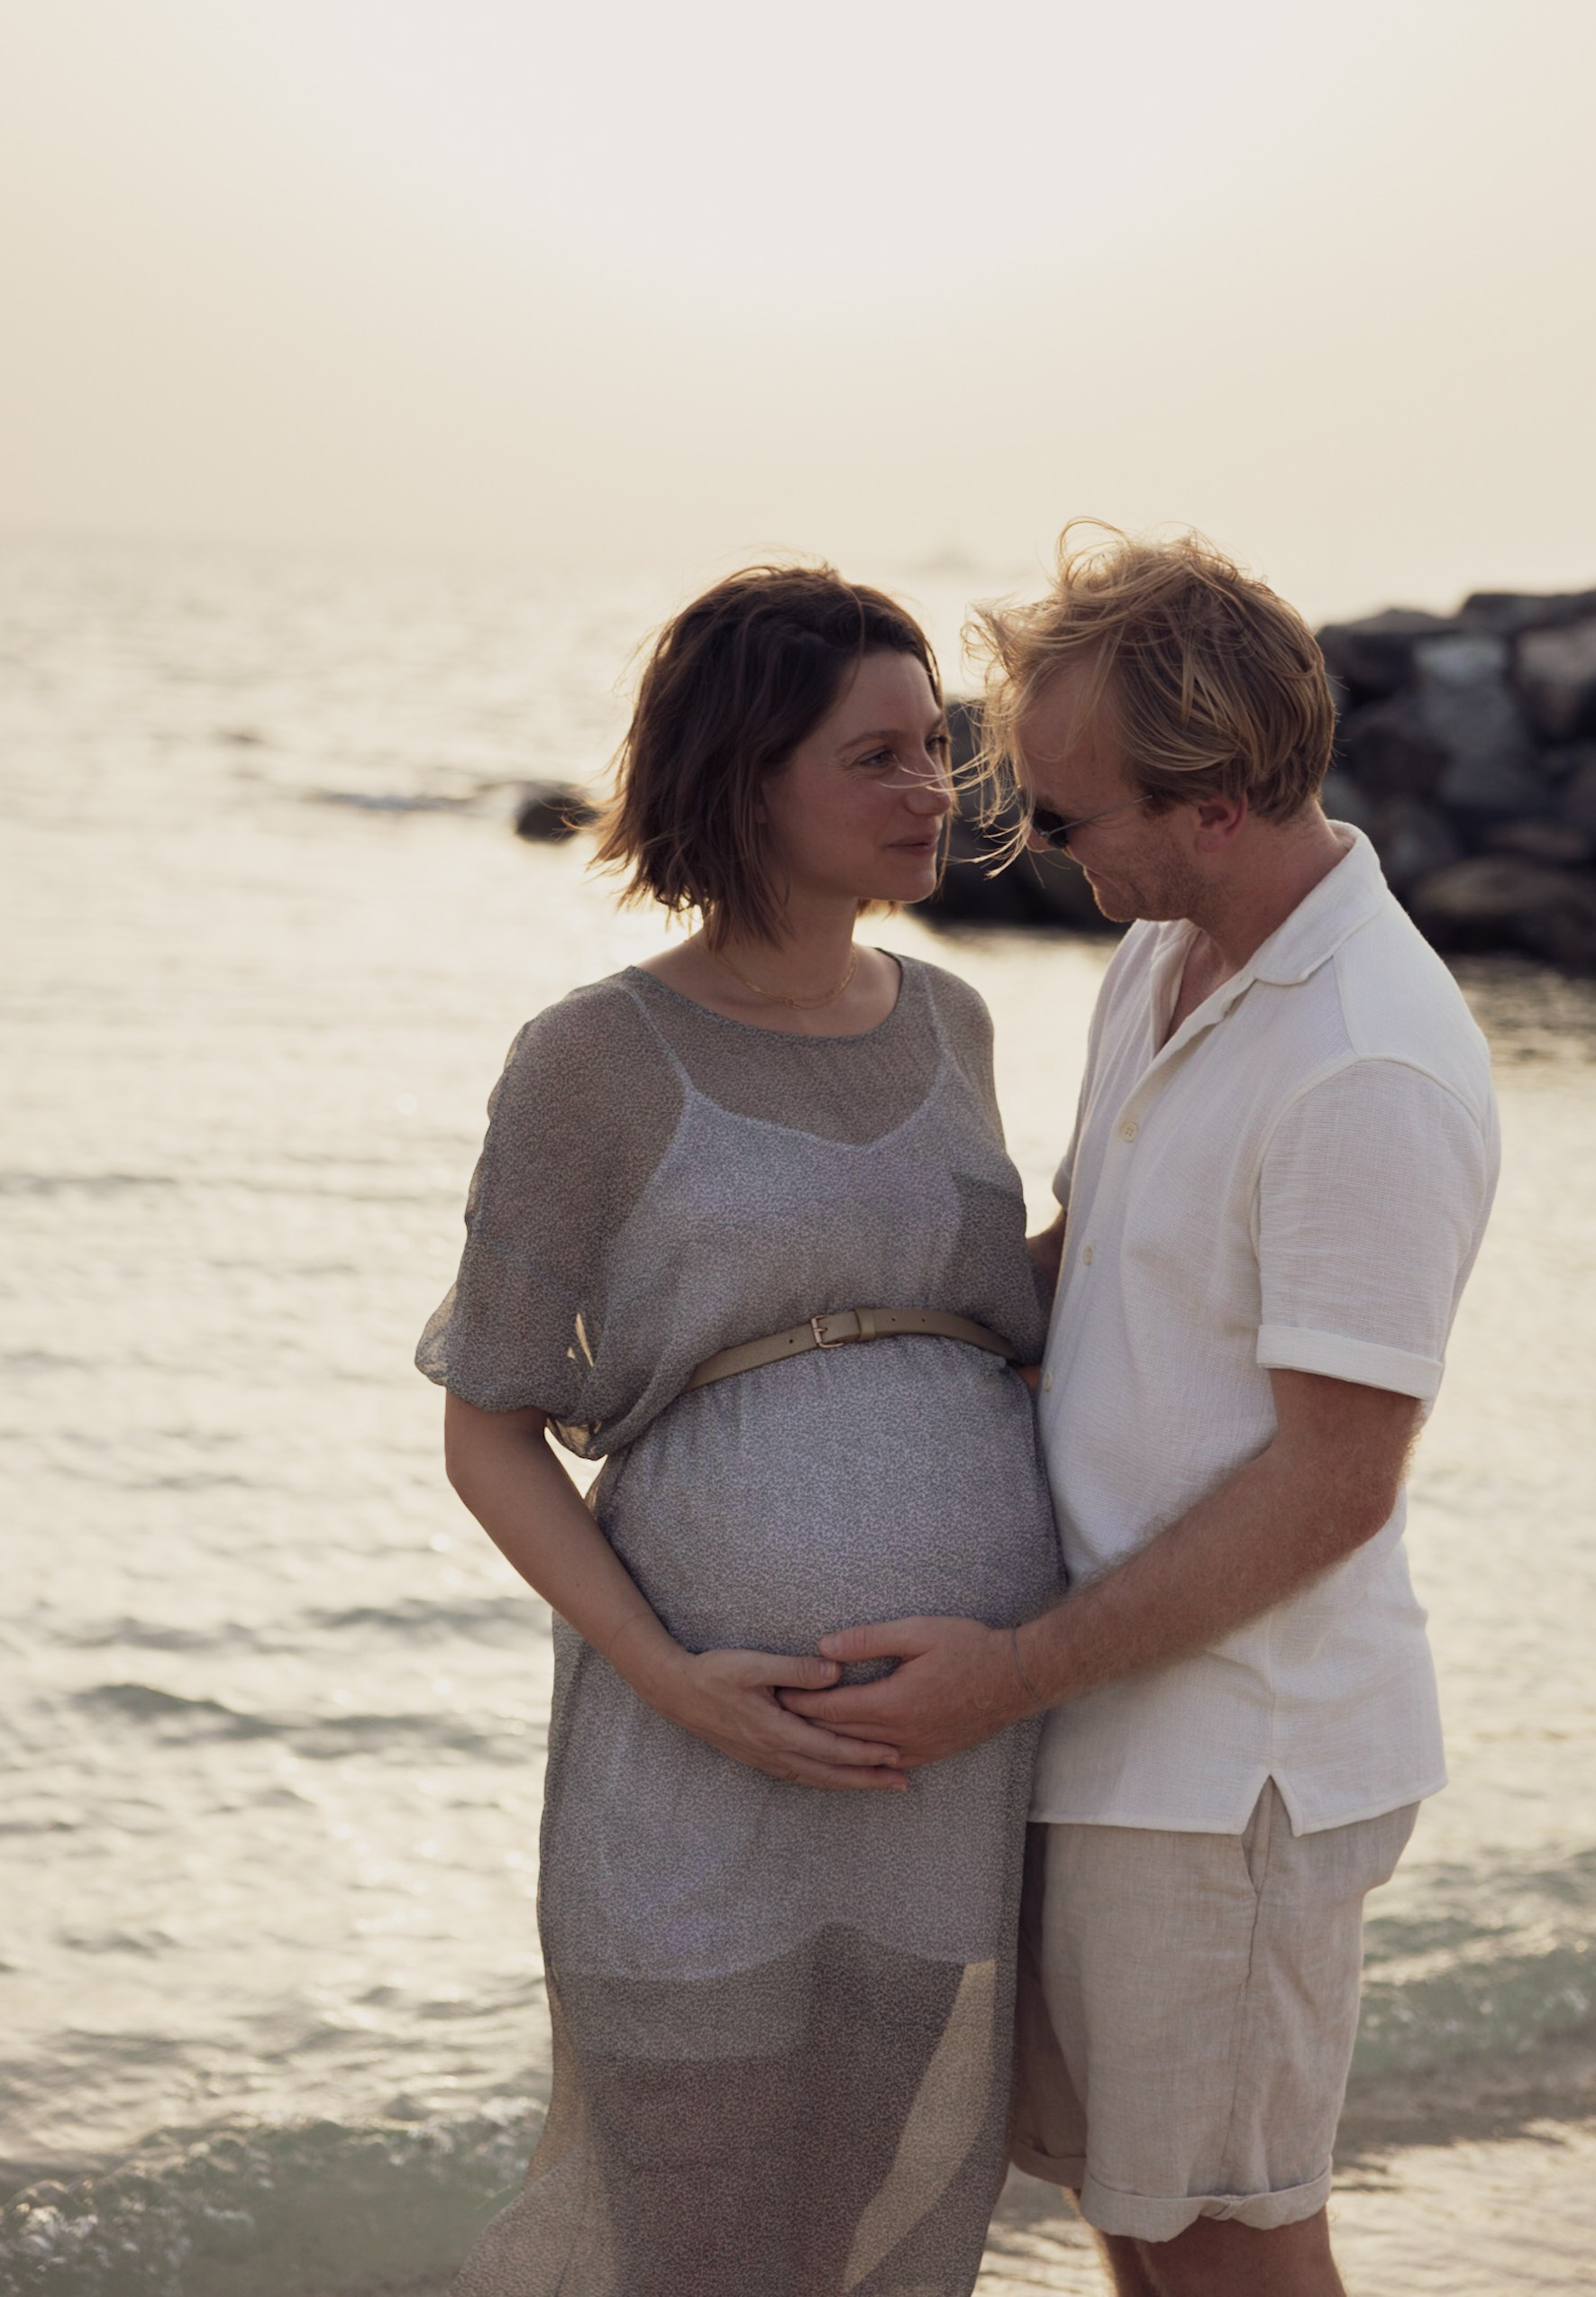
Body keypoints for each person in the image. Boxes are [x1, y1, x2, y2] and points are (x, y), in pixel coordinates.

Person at [785, 528, 1500, 2297]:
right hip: (1118, 1734)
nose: (1031, 846)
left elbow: (1332, 1483)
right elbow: (1092, 1269)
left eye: (1071, 816)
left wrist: (1006, 1675)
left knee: (1225, 2249)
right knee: (1143, 2221)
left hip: (1228, 1768)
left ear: (1215, 808)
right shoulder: (1159, 962)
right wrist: (791, 1336)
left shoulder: (1363, 1061)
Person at [416, 565, 1063, 2297]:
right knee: (694, 2240)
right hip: (693, 1754)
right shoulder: (591, 1060)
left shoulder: (957, 1023)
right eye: (878, 757)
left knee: (853, 2222)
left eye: (938, 747)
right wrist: (669, 1672)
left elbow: (999, 1328)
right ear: (744, 772)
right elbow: (490, 1432)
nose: (935, 788)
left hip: (938, 1759)